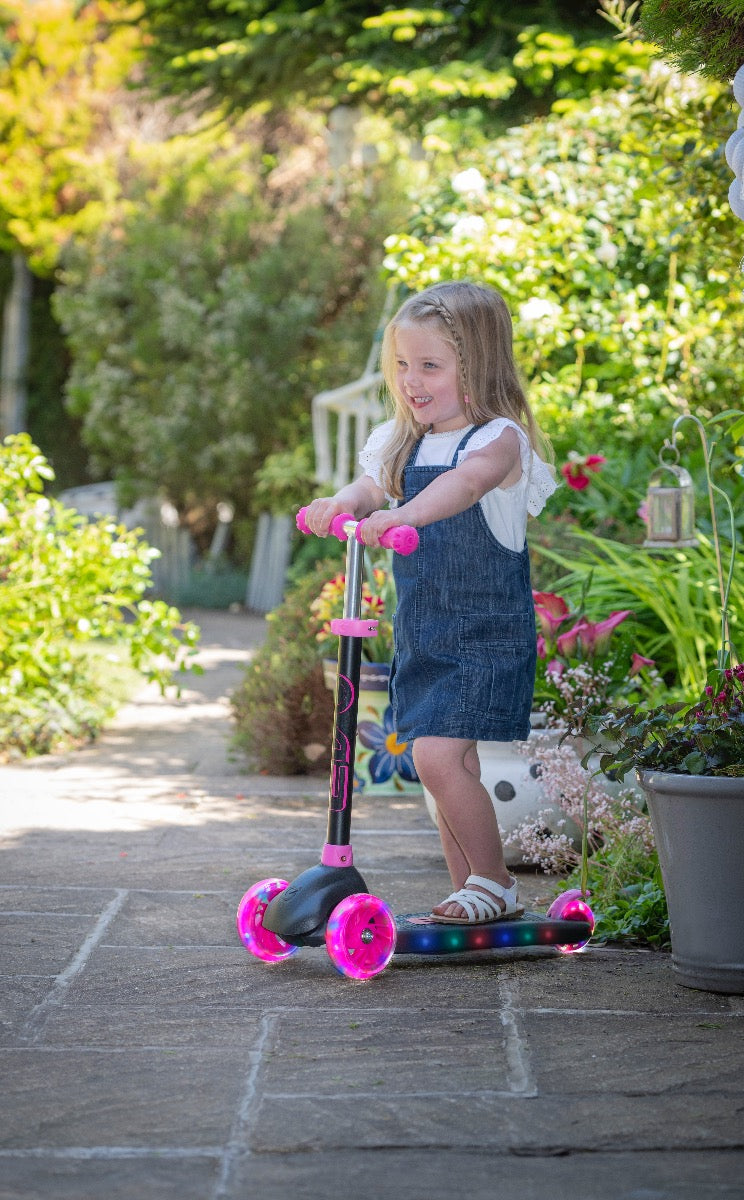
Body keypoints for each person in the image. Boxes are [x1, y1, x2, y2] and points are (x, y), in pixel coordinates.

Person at [303, 281, 556, 924]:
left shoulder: (497, 441)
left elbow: (466, 487)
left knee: (436, 758)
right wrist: (343, 505)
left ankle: (494, 883)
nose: (411, 381)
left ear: (476, 366)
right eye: (403, 365)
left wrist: (405, 514)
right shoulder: (403, 438)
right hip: (426, 634)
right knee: (451, 764)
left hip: (483, 634)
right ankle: (468, 891)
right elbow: (370, 484)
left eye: (430, 366)